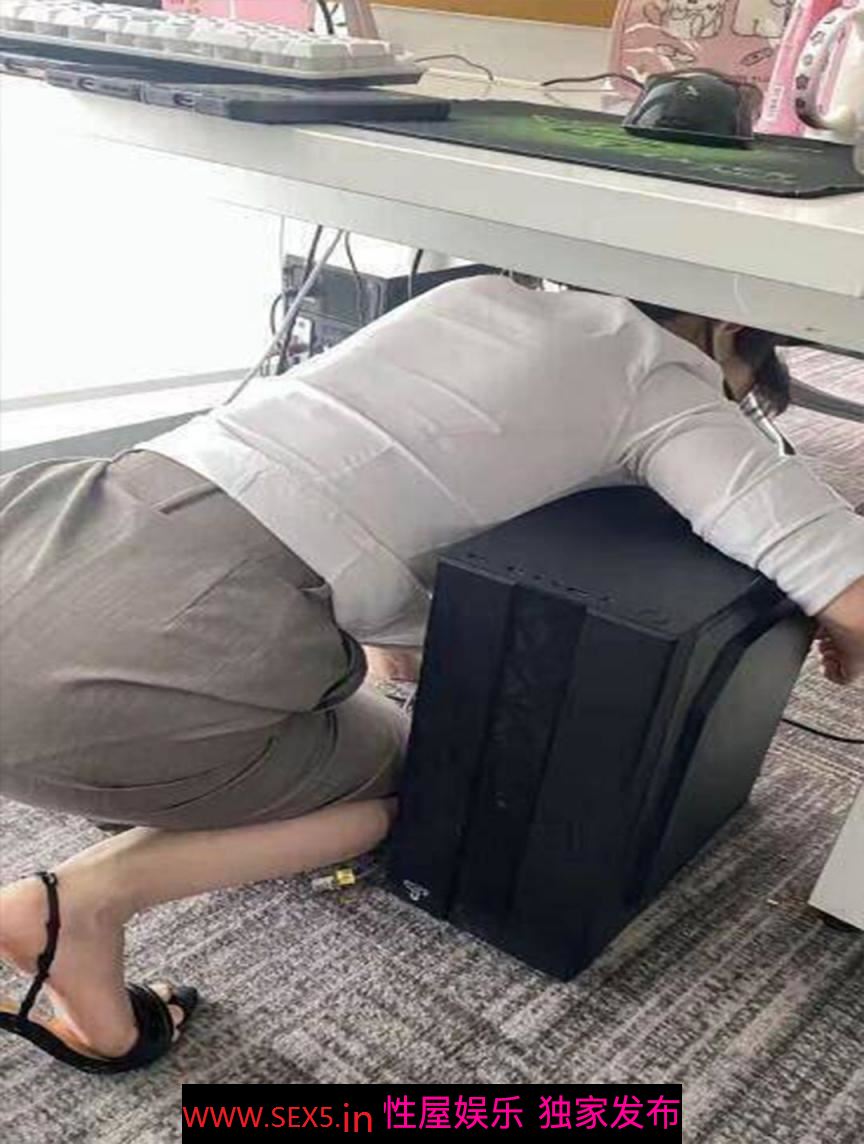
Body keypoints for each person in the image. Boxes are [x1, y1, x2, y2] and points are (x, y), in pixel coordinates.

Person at [1, 276, 862, 1072]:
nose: (730, 411)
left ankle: (170, 771)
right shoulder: (665, 380)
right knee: (428, 788)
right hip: (132, 668)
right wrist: (841, 636)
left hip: (51, 518)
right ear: (732, 328)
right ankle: (85, 902)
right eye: (740, 397)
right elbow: (845, 583)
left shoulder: (478, 295)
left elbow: (354, 483)